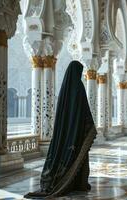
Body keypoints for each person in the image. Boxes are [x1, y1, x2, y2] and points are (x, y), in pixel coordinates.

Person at [24, 60, 97, 199]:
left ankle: (70, 182)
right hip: (76, 130)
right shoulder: (78, 87)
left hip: (65, 131)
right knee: (77, 155)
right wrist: (89, 125)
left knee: (70, 154)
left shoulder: (65, 89)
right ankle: (75, 183)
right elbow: (83, 109)